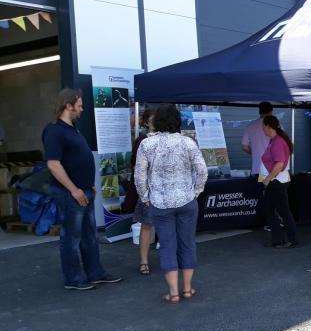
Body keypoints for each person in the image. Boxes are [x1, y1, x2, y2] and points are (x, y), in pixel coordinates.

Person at [42, 89, 123, 290]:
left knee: (89, 235)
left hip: (84, 190)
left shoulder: (73, 130)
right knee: (71, 237)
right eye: (79, 105)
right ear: (68, 105)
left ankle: (95, 273)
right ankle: (73, 279)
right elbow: (53, 164)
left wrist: (89, 185)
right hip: (70, 193)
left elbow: (77, 160)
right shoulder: (54, 131)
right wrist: (74, 190)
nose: (82, 109)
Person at [134, 104, 208, 303]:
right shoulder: (188, 143)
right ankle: (187, 289)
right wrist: (196, 191)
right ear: (177, 121)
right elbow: (202, 170)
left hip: (160, 203)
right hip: (186, 200)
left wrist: (146, 198)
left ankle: (173, 292)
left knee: (167, 245)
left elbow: (139, 176)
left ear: (156, 121)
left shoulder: (147, 145)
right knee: (187, 243)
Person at [261, 115, 299, 248]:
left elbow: (279, 164)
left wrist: (267, 179)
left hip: (277, 181)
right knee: (271, 210)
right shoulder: (275, 140)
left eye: (263, 126)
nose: (262, 129)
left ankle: (290, 239)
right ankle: (279, 239)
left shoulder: (277, 142)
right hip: (276, 180)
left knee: (281, 211)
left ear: (268, 126)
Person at [127, 107, 156, 275]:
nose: (154, 121)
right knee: (146, 225)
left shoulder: (165, 138)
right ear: (146, 122)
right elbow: (136, 166)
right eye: (151, 119)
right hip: (148, 190)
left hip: (163, 190)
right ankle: (144, 261)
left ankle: (171, 258)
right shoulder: (141, 140)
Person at [242, 102, 273, 175]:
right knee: (271, 186)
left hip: (257, 167)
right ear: (271, 111)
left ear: (259, 111)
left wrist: (256, 153)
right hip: (272, 168)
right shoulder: (276, 124)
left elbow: (244, 147)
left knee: (260, 186)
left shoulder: (250, 126)